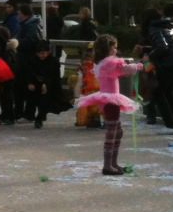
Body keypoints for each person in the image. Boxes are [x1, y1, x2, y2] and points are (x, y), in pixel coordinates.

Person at [77, 34, 143, 176]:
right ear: (108, 48)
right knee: (113, 131)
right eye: (114, 47)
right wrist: (138, 65)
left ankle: (112, 163)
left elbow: (120, 70)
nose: (116, 50)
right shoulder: (109, 63)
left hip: (109, 99)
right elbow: (124, 70)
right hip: (110, 99)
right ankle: (108, 165)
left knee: (117, 131)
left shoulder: (103, 63)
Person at [25, 40, 71, 128]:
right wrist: (30, 82)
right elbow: (29, 73)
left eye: (44, 53)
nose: (42, 56)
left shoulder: (53, 61)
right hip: (35, 83)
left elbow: (54, 76)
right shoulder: (32, 60)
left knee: (44, 99)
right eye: (40, 53)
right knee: (33, 99)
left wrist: (46, 84)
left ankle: (40, 118)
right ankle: (30, 114)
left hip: (49, 85)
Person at [15, 4, 44, 120]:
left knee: (29, 87)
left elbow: (30, 42)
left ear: (24, 14)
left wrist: (17, 43)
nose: (18, 15)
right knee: (21, 87)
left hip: (28, 61)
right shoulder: (26, 25)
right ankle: (21, 112)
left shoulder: (31, 26)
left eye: (19, 13)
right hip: (24, 60)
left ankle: (28, 114)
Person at [74, 44, 101, 128]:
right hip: (85, 96)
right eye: (88, 51)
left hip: (98, 95)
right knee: (81, 121)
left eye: (92, 51)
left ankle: (96, 117)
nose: (89, 54)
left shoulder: (99, 67)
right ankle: (89, 118)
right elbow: (78, 89)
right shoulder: (81, 70)